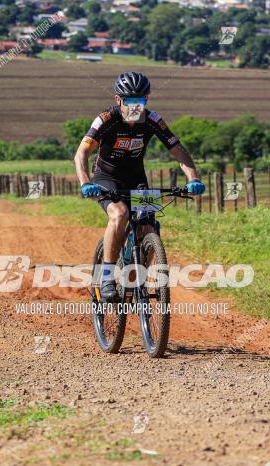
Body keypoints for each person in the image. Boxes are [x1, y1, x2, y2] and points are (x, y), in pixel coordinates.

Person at [74, 71, 205, 302]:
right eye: (129, 101)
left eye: (140, 101)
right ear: (118, 100)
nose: (135, 107)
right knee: (120, 213)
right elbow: (82, 153)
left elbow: (177, 150)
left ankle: (136, 276)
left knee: (149, 227)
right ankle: (106, 277)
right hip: (106, 177)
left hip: (136, 178)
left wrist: (193, 178)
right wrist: (86, 183)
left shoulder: (153, 120)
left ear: (146, 100)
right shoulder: (106, 119)